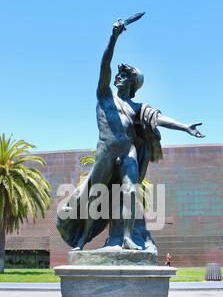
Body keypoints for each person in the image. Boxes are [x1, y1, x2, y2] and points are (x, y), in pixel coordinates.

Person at [57, 18, 205, 251]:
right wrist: (113, 37)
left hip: (128, 152)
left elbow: (158, 118)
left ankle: (126, 238)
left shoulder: (136, 108)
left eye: (124, 76)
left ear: (132, 83)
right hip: (106, 152)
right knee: (95, 197)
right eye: (118, 75)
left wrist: (185, 126)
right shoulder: (105, 95)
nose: (118, 77)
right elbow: (104, 65)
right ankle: (82, 240)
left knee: (130, 191)